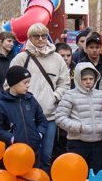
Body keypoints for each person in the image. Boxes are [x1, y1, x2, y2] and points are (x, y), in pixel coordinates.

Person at [9, 24, 70, 172]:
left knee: (46, 155)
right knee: (27, 156)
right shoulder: (21, 58)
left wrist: (54, 97)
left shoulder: (57, 58)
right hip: (25, 116)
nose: (41, 39)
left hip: (49, 115)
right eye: (36, 36)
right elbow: (8, 85)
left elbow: (65, 83)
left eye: (43, 35)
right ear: (30, 38)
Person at [54, 61, 102, 173]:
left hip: (98, 142)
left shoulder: (101, 95)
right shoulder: (70, 95)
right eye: (84, 79)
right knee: (77, 174)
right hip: (78, 143)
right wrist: (79, 127)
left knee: (97, 175)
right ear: (79, 79)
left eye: (91, 78)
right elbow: (60, 118)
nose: (88, 82)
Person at [78, 33, 102, 98]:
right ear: (86, 49)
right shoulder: (81, 65)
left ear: (100, 48)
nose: (94, 50)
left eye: (97, 47)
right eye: (91, 47)